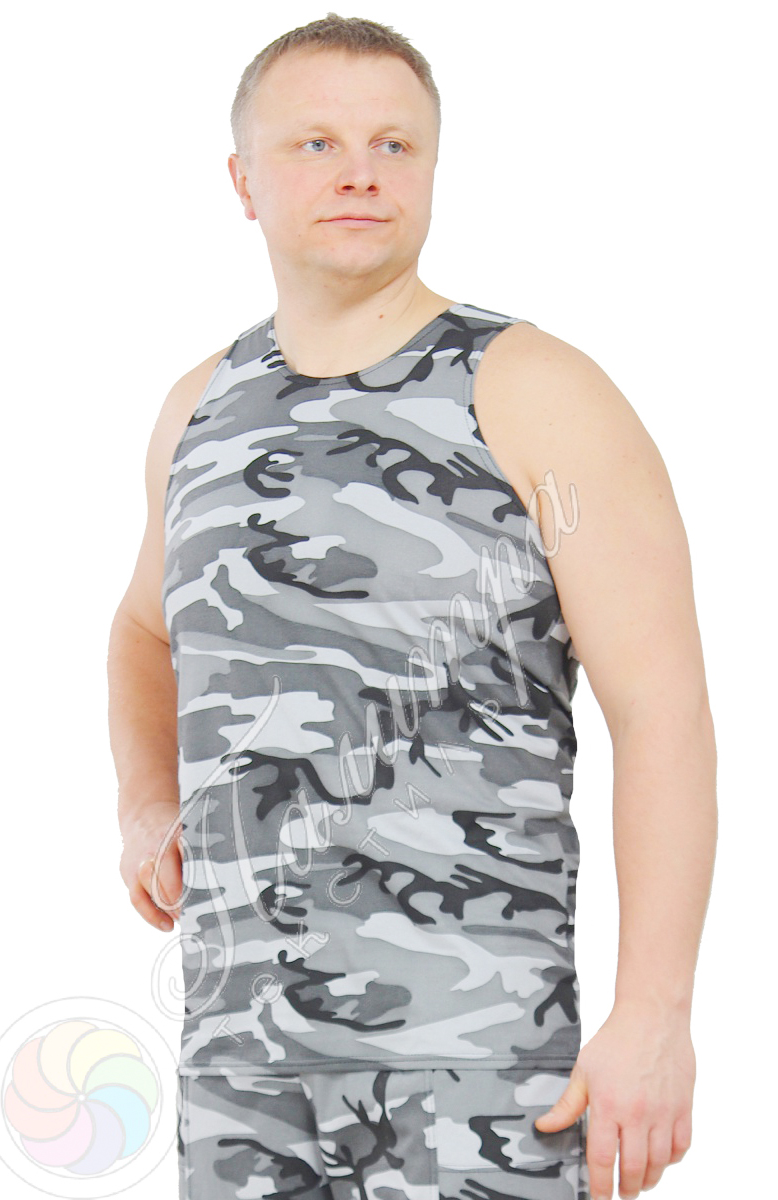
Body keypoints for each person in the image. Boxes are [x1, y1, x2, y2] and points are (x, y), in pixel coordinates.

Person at [107, 13, 717, 1200]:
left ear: (432, 167)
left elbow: (664, 712)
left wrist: (655, 1015)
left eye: (394, 144)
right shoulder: (200, 408)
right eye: (316, 143)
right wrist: (143, 807)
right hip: (241, 1071)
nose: (359, 173)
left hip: (477, 1066)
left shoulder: (532, 388)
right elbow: (141, 627)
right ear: (242, 180)